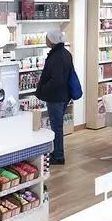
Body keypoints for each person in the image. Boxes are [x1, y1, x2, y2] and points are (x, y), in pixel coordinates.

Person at [36, 30, 74, 165]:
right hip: (63, 95)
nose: (46, 40)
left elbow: (56, 80)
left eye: (47, 38)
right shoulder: (65, 53)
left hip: (56, 97)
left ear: (52, 40)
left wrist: (44, 88)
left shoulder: (57, 56)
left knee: (56, 126)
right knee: (57, 125)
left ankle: (58, 155)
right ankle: (57, 152)